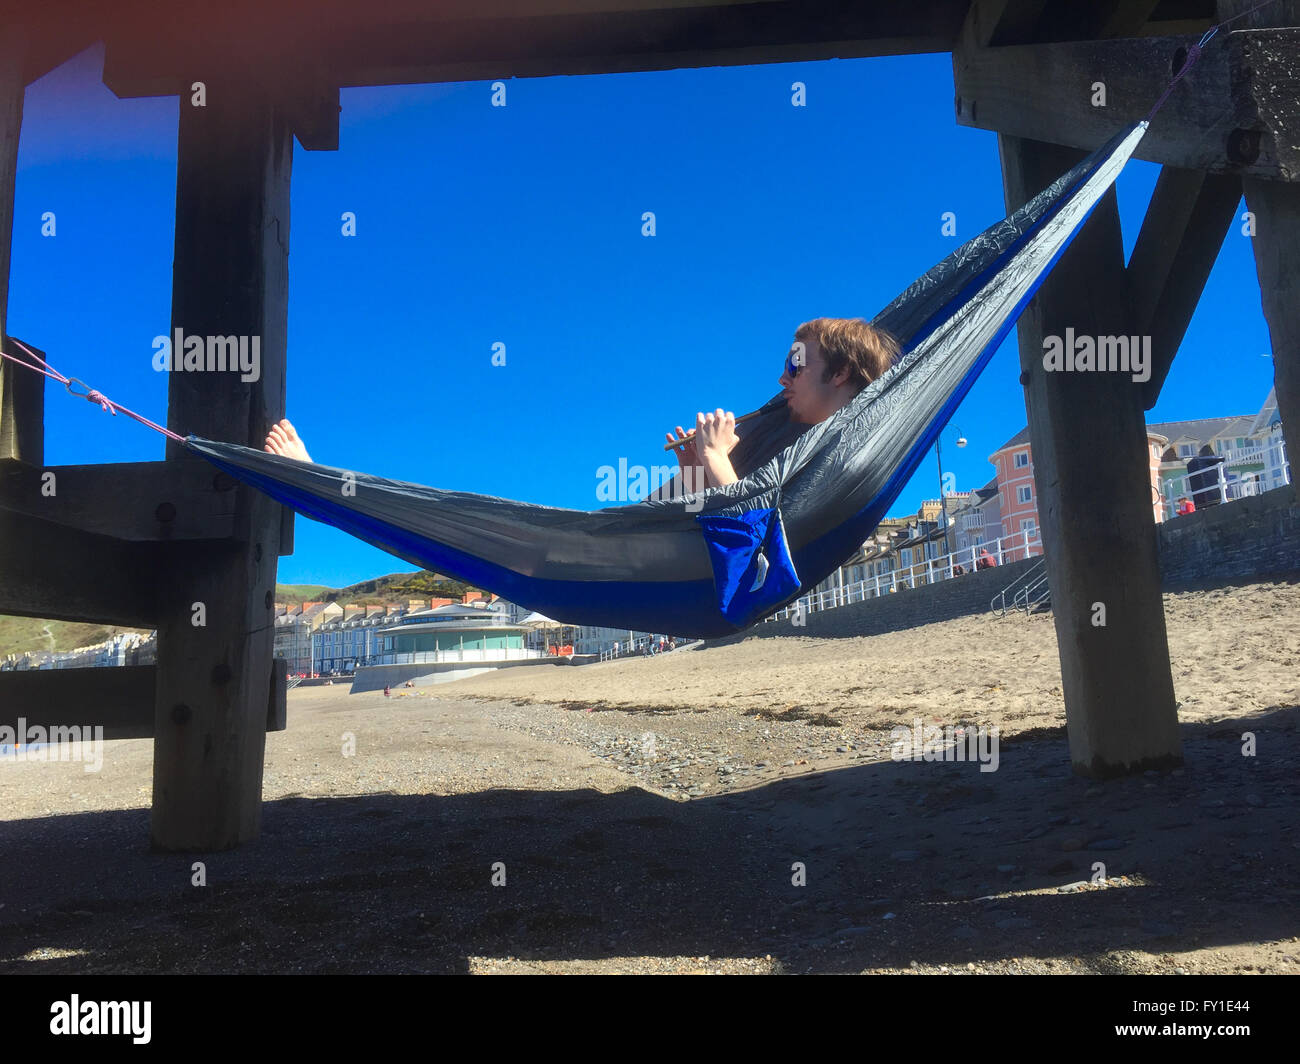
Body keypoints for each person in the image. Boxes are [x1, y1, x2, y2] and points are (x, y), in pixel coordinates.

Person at [663, 318, 902, 488]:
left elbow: (753, 543)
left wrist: (715, 455)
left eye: (795, 366)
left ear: (840, 373)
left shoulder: (847, 454)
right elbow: (712, 534)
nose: (782, 379)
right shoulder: (811, 447)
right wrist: (697, 471)